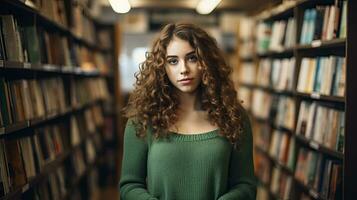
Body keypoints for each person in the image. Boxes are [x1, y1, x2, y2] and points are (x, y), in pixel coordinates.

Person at [119, 22, 257, 200]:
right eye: (173, 61)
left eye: (192, 58)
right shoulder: (143, 120)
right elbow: (129, 186)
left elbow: (245, 185)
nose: (183, 69)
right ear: (162, 67)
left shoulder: (233, 116)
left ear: (206, 62)